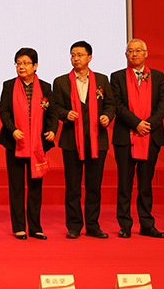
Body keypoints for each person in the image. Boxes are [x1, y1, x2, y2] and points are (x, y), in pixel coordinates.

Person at [51, 40, 115, 239]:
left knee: (94, 186)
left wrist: (107, 116)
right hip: (71, 141)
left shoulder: (102, 80)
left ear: (90, 57)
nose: (75, 59)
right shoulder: (61, 82)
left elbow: (110, 104)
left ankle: (93, 225)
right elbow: (55, 107)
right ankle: (74, 226)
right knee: (73, 186)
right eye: (73, 55)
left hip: (97, 140)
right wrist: (65, 114)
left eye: (79, 55)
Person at [109, 39, 164, 238]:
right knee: (124, 184)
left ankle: (147, 224)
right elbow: (117, 105)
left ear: (146, 53)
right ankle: (125, 225)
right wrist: (136, 124)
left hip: (151, 136)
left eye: (137, 50)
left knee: (145, 184)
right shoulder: (117, 77)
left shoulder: (158, 76)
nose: (133, 54)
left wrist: (148, 124)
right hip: (125, 138)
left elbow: (163, 104)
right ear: (125, 54)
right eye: (130, 51)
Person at [0, 47, 56, 240]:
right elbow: (4, 111)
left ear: (35, 66)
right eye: (18, 63)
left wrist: (52, 130)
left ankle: (35, 227)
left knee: (35, 186)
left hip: (37, 144)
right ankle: (19, 227)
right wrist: (12, 129)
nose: (21, 67)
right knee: (16, 186)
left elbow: (52, 112)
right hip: (14, 142)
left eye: (25, 63)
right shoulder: (8, 86)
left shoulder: (45, 87)